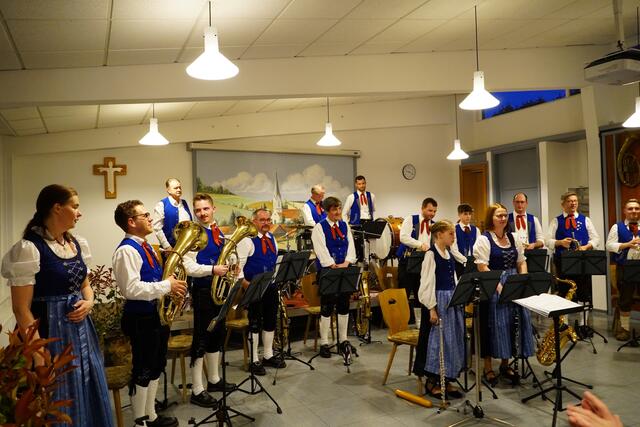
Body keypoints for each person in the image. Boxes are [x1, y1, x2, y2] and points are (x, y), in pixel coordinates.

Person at [1, 184, 114, 427]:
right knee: (58, 395)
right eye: (75, 206)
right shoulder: (30, 248)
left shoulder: (76, 243)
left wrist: (89, 302)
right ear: (57, 208)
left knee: (88, 383)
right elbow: (21, 308)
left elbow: (85, 285)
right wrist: (39, 354)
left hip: (82, 331)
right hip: (50, 333)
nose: (79, 212)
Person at [113, 200, 187, 427]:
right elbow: (131, 289)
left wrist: (172, 290)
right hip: (141, 318)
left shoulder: (147, 247)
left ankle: (151, 415)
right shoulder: (127, 250)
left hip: (156, 315)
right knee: (143, 369)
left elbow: (154, 280)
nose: (150, 218)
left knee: (156, 365)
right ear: (131, 222)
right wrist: (167, 286)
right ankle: (140, 422)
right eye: (144, 215)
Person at [182, 194, 235, 407]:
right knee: (201, 339)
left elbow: (224, 258)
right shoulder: (192, 234)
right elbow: (188, 266)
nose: (202, 213)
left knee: (216, 335)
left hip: (219, 292)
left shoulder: (218, 232)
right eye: (198, 210)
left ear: (213, 209)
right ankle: (197, 389)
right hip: (203, 292)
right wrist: (212, 269)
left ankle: (213, 380)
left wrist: (231, 266)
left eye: (206, 209)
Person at [474, 203, 532, 386]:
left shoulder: (513, 237)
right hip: (493, 284)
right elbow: (482, 266)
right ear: (491, 218)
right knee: (493, 325)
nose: (503, 218)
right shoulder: (484, 239)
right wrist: (499, 286)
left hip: (513, 283)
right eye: (499, 215)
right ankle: (488, 367)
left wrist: (523, 280)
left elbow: (521, 261)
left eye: (505, 215)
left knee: (511, 324)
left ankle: (505, 364)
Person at [417, 220, 465, 400]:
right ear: (439, 235)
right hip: (438, 302)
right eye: (450, 233)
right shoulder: (431, 255)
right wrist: (432, 308)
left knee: (451, 340)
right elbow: (426, 284)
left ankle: (447, 378)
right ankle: (432, 381)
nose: (454, 237)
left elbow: (454, 278)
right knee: (437, 342)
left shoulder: (449, 253)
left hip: (451, 301)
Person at [236, 208, 285, 375]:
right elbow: (238, 268)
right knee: (255, 323)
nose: (266, 223)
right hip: (253, 288)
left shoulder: (272, 238)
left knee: (270, 321)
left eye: (268, 220)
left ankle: (268, 355)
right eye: (262, 220)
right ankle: (253, 360)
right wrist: (246, 285)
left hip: (270, 287)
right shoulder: (247, 240)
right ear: (254, 221)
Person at [546, 191, 600, 330]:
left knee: (584, 292)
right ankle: (564, 324)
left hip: (583, 262)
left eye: (575, 201)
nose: (573, 203)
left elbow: (596, 239)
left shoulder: (585, 220)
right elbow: (547, 240)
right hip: (563, 262)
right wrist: (560, 242)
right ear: (563, 204)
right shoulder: (556, 221)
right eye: (570, 201)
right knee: (564, 292)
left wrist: (586, 246)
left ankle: (583, 325)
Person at [311, 196, 357, 358]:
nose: (338, 212)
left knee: (344, 305)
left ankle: (343, 340)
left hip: (344, 270)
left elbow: (351, 246)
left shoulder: (344, 225)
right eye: (334, 209)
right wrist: (331, 264)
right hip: (328, 271)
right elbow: (320, 249)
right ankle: (324, 342)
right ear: (327, 211)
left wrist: (347, 262)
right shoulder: (319, 227)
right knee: (327, 307)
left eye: (339, 208)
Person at [398, 197, 438, 325]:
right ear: (422, 208)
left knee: (420, 291)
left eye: (434, 211)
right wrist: (420, 244)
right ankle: (400, 322)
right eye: (430, 210)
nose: (432, 214)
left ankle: (419, 322)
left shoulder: (434, 225)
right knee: (404, 291)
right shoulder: (411, 219)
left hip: (424, 261)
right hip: (408, 259)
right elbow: (403, 237)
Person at [606, 198, 640, 341]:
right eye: (630, 208)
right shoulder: (617, 227)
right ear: (625, 211)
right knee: (625, 299)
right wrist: (627, 244)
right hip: (625, 268)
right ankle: (625, 329)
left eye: (637, 208)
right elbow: (609, 245)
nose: (634, 211)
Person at [342, 175, 376, 262]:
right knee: (359, 247)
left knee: (370, 247)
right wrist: (347, 226)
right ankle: (360, 264)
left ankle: (370, 264)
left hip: (369, 222)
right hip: (357, 224)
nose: (362, 185)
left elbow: (373, 210)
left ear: (365, 183)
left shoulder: (371, 196)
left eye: (363, 183)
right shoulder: (351, 197)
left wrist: (374, 221)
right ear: (356, 185)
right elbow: (344, 213)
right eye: (359, 184)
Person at [153, 178, 193, 251]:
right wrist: (167, 246)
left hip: (186, 246)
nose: (179, 190)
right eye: (175, 188)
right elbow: (157, 228)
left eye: (180, 187)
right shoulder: (161, 204)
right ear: (168, 190)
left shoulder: (184, 203)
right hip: (170, 248)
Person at [451, 203, 481, 278]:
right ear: (459, 215)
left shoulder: (476, 230)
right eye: (465, 214)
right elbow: (453, 250)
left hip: (473, 263)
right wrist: (465, 261)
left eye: (470, 214)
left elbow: (479, 247)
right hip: (460, 264)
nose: (468, 216)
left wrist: (474, 261)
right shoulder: (454, 229)